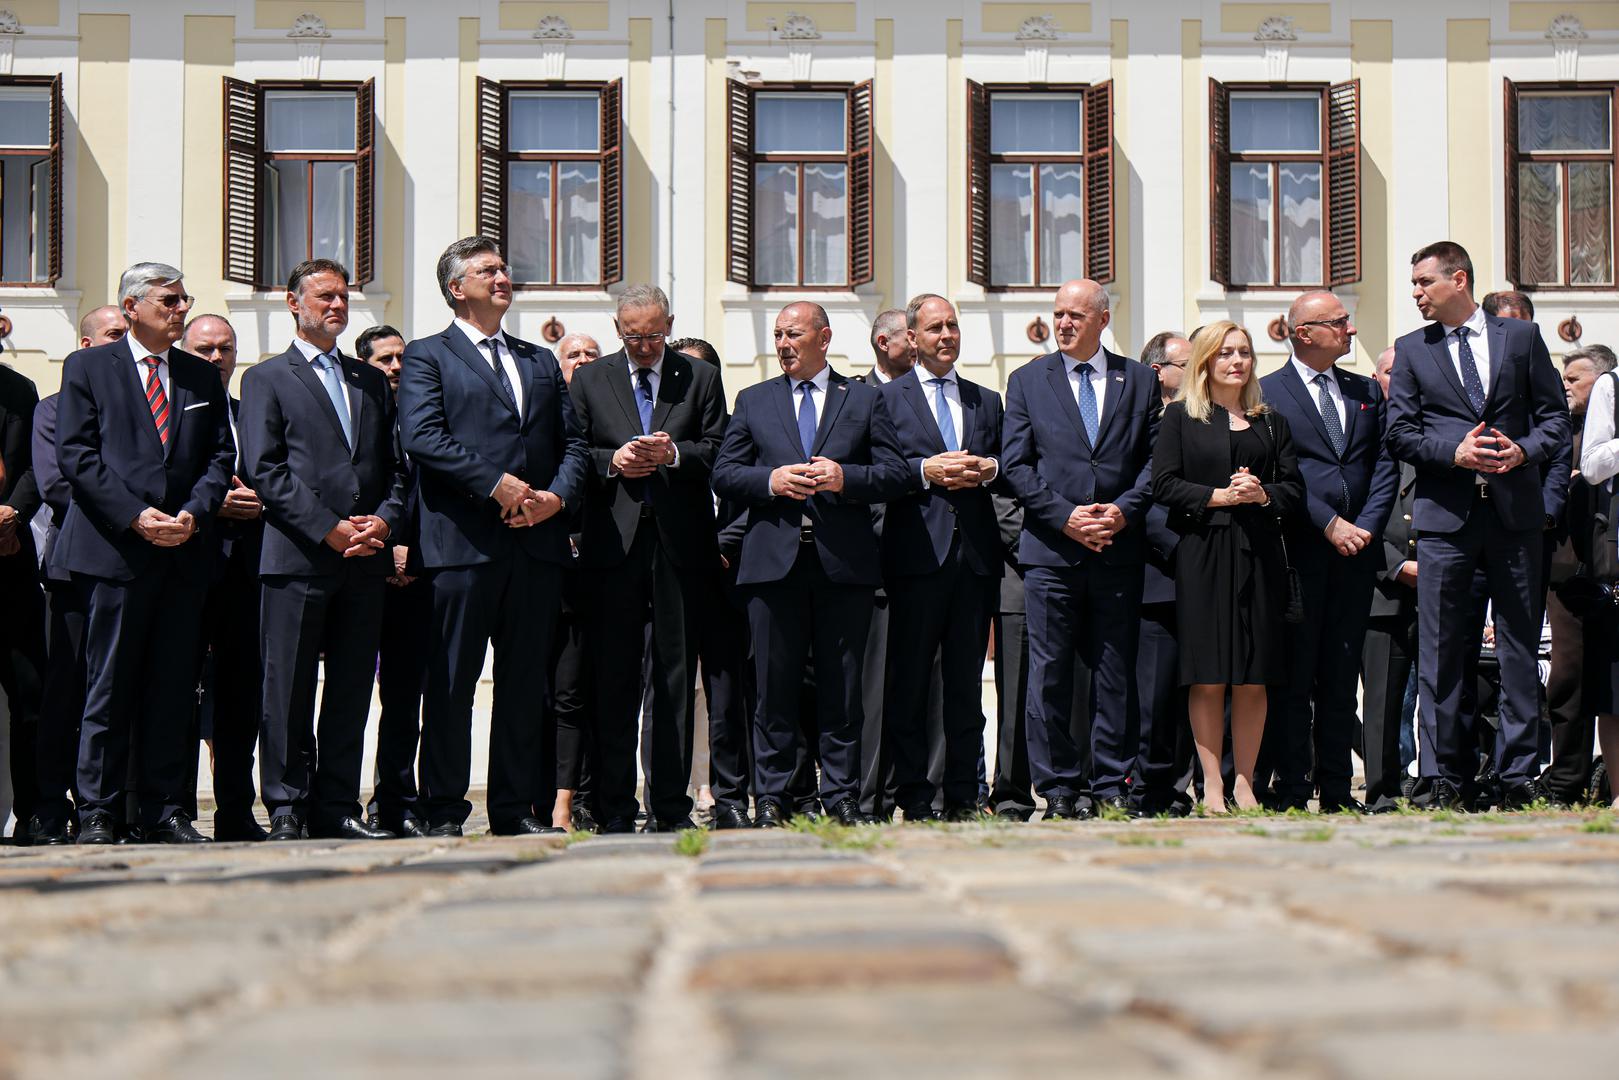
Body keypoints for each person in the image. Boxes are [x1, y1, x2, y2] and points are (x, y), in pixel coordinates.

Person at [398, 237, 588, 837]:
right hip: (461, 545)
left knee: (525, 686)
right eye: (488, 270)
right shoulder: (428, 355)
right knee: (451, 685)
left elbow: (573, 445)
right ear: (457, 288)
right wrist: (496, 485)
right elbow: (422, 436)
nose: (503, 276)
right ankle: (444, 810)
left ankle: (513, 809)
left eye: (505, 267)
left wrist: (554, 499)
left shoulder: (538, 360)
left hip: (534, 546)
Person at [1387, 241, 1570, 811]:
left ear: (1459, 279)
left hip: (1515, 520)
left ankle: (1517, 775)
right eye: (1414, 284)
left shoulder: (1520, 338)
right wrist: (1454, 453)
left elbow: (1554, 419)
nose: (1416, 293)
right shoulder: (1412, 349)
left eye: (1424, 282)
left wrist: (1524, 451)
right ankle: (1446, 775)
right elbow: (1400, 434)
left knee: (1518, 649)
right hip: (1446, 524)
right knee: (1443, 651)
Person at [711, 301, 909, 827]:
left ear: (824, 338)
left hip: (842, 566)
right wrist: (770, 480)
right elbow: (724, 473)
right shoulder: (754, 400)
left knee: (842, 689)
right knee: (773, 689)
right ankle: (772, 796)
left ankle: (841, 795)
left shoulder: (863, 399)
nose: (782, 344)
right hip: (771, 566)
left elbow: (894, 473)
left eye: (792, 334)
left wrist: (847, 478)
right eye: (777, 334)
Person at [56, 262, 234, 844]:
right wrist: (134, 515)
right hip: (114, 553)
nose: (181, 309)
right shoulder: (87, 367)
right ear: (131, 306)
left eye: (184, 300)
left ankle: (166, 810)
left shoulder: (200, 375)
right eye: (169, 300)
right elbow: (77, 455)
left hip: (182, 552)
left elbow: (219, 458)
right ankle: (98, 811)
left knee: (173, 688)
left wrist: (194, 513)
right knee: (107, 687)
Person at [239, 261, 407, 841]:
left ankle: (337, 805)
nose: (337, 305)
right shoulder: (266, 378)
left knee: (351, 688)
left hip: (364, 558)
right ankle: (287, 806)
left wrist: (383, 522)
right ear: (294, 303)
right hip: (298, 557)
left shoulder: (368, 380)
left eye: (343, 296)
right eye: (324, 296)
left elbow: (395, 468)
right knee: (287, 687)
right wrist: (327, 527)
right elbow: (265, 468)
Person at [568, 286, 725, 833]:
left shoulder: (698, 377)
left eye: (654, 335)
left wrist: (673, 454)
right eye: (633, 336)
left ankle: (670, 806)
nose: (644, 346)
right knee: (613, 677)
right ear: (618, 330)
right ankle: (614, 805)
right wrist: (614, 461)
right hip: (614, 546)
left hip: (679, 548)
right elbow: (574, 452)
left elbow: (719, 449)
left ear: (670, 325)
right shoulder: (591, 379)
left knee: (675, 679)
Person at [1002, 279, 1161, 819]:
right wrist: (1064, 517)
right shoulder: (1027, 380)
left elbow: (1154, 462)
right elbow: (1016, 464)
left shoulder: (1138, 380)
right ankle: (1059, 788)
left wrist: (1123, 511)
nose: (1064, 323)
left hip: (1118, 548)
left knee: (1115, 671)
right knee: (1049, 673)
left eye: (1075, 315)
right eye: (1058, 314)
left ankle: (1111, 783)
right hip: (1052, 553)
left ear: (1102, 319)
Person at [1152, 320, 1303, 813]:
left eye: (1244, 352)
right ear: (1205, 361)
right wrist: (1217, 497)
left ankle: (1245, 783)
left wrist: (1262, 494)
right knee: (1209, 674)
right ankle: (1212, 785)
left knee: (1254, 675)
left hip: (1260, 553)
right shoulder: (1181, 418)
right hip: (1204, 551)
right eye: (1225, 353)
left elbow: (1294, 490)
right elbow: (1163, 484)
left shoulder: (1271, 421)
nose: (1237, 361)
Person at [1258, 293, 1397, 813]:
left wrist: (1365, 527)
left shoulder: (1365, 390)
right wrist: (1329, 524)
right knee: (1297, 678)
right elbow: (1279, 472)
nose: (1350, 330)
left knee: (1341, 679)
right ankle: (1294, 787)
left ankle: (1337, 789)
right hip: (1299, 553)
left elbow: (1384, 463)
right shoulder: (1268, 392)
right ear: (1304, 333)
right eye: (1338, 322)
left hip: (1356, 555)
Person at [877, 294, 1002, 822]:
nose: (946, 335)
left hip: (972, 560)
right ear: (912, 338)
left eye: (952, 325)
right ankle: (914, 796)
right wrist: (923, 471)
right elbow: (879, 470)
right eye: (935, 328)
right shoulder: (886, 399)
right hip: (915, 557)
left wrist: (990, 468)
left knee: (965, 687)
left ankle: (963, 796)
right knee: (910, 685)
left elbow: (1009, 465)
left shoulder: (985, 400)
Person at [27, 307, 128, 845]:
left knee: (115, 690)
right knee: (65, 691)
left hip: (131, 564)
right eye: (114, 334)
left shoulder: (135, 403)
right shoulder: (53, 408)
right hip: (74, 568)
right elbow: (56, 484)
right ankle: (49, 807)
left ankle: (109, 807)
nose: (124, 342)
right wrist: (134, 511)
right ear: (86, 346)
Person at [182, 313, 268, 840]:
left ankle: (235, 811)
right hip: (187, 564)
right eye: (205, 348)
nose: (216, 358)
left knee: (241, 696)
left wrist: (261, 501)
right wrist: (213, 505)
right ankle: (172, 811)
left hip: (248, 570)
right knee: (177, 690)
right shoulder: (175, 408)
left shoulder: (250, 413)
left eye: (226, 348)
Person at [668, 335, 755, 829]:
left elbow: (752, 499)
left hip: (727, 576)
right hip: (675, 575)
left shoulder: (743, 421)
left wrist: (722, 545)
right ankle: (667, 801)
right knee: (669, 693)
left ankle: (730, 798)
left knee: (727, 698)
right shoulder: (661, 431)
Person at [353, 324, 430, 837]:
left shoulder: (424, 414)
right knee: (350, 694)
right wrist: (387, 549)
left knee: (404, 700)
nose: (397, 367)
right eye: (385, 359)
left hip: (417, 575)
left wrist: (412, 553)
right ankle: (331, 798)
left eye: (402, 357)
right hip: (362, 566)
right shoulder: (358, 413)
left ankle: (395, 800)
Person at [1544, 345, 1616, 803]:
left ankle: (1607, 776)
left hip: (1609, 569)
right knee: (1568, 676)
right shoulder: (1557, 430)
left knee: (1610, 680)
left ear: (1603, 379)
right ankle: (1567, 779)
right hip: (1568, 571)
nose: (1565, 386)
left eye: (1575, 378)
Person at [1134, 331, 1193, 815]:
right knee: (1154, 696)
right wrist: (1184, 552)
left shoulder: (1203, 420)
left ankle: (1180, 789)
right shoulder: (1142, 422)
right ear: (1160, 372)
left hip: (1204, 576)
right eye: (1189, 365)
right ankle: (1148, 789)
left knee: (1198, 693)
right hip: (1160, 575)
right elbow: (1146, 497)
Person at [545, 331, 601, 832]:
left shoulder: (606, 412)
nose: (582, 360)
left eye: (591, 354)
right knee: (534, 692)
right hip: (541, 569)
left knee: (576, 695)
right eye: (572, 354)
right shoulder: (544, 413)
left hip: (590, 577)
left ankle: (573, 801)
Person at [1362, 346, 1421, 811]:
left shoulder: (1435, 430)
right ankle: (1384, 786)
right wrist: (1397, 565)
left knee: (1442, 693)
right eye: (1389, 372)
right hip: (1382, 585)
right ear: (1375, 378)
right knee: (1383, 698)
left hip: (1439, 584)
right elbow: (1358, 509)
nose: (1398, 379)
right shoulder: (1364, 431)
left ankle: (1437, 781)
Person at [0, 352, 43, 844]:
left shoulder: (18, 390)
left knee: (30, 692)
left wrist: (13, 511)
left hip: (9, 557)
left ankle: (33, 814)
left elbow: (35, 465)